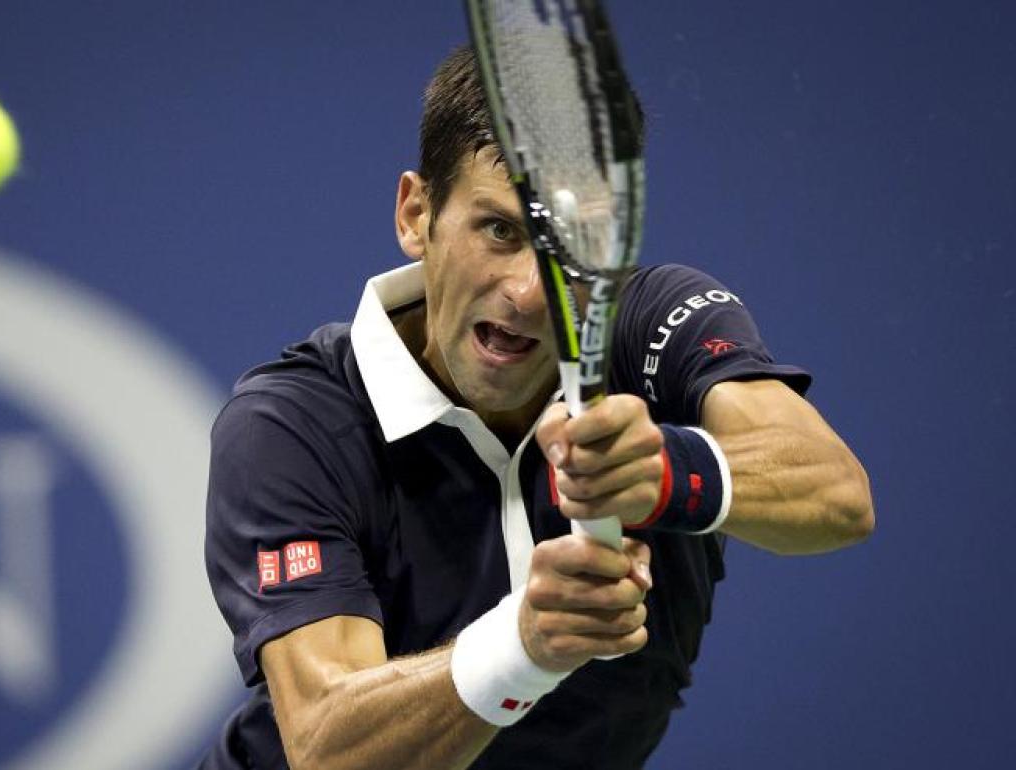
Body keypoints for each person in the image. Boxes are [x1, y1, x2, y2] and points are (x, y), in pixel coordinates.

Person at [201, 46, 874, 770]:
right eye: (500, 230)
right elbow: (328, 748)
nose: (528, 291)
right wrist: (522, 645)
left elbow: (838, 497)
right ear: (416, 214)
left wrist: (663, 472)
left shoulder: (655, 327)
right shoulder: (291, 426)